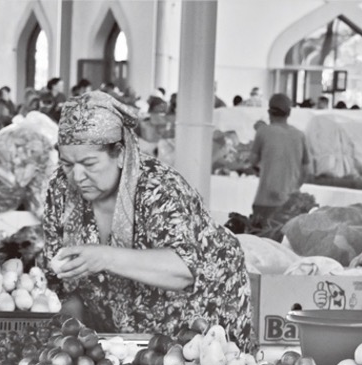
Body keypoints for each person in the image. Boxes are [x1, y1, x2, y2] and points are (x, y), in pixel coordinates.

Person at [43, 91, 254, 350]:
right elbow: (63, 283)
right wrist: (71, 340)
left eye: (89, 163)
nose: (77, 176)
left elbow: (184, 269)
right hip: (125, 335)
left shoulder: (157, 187)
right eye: (67, 164)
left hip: (199, 317)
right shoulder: (61, 188)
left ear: (120, 154)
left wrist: (105, 257)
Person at [249, 93, 310, 224]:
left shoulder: (263, 132)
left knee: (261, 242)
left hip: (265, 202)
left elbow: (252, 161)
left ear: (269, 112)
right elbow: (306, 170)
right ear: (289, 113)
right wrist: (293, 187)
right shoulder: (300, 135)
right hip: (291, 204)